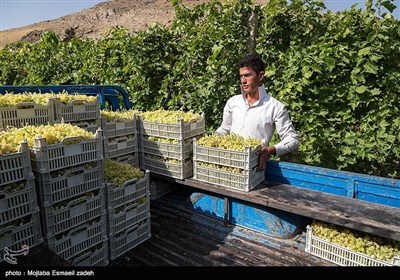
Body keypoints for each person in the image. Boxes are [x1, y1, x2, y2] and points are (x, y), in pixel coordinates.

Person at [215, 54, 299, 171]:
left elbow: (292, 139)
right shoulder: (233, 102)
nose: (243, 81)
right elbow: (224, 129)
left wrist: (271, 150)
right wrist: (213, 140)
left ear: (260, 76)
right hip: (230, 166)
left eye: (248, 75)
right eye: (241, 76)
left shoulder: (275, 107)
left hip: (253, 168)